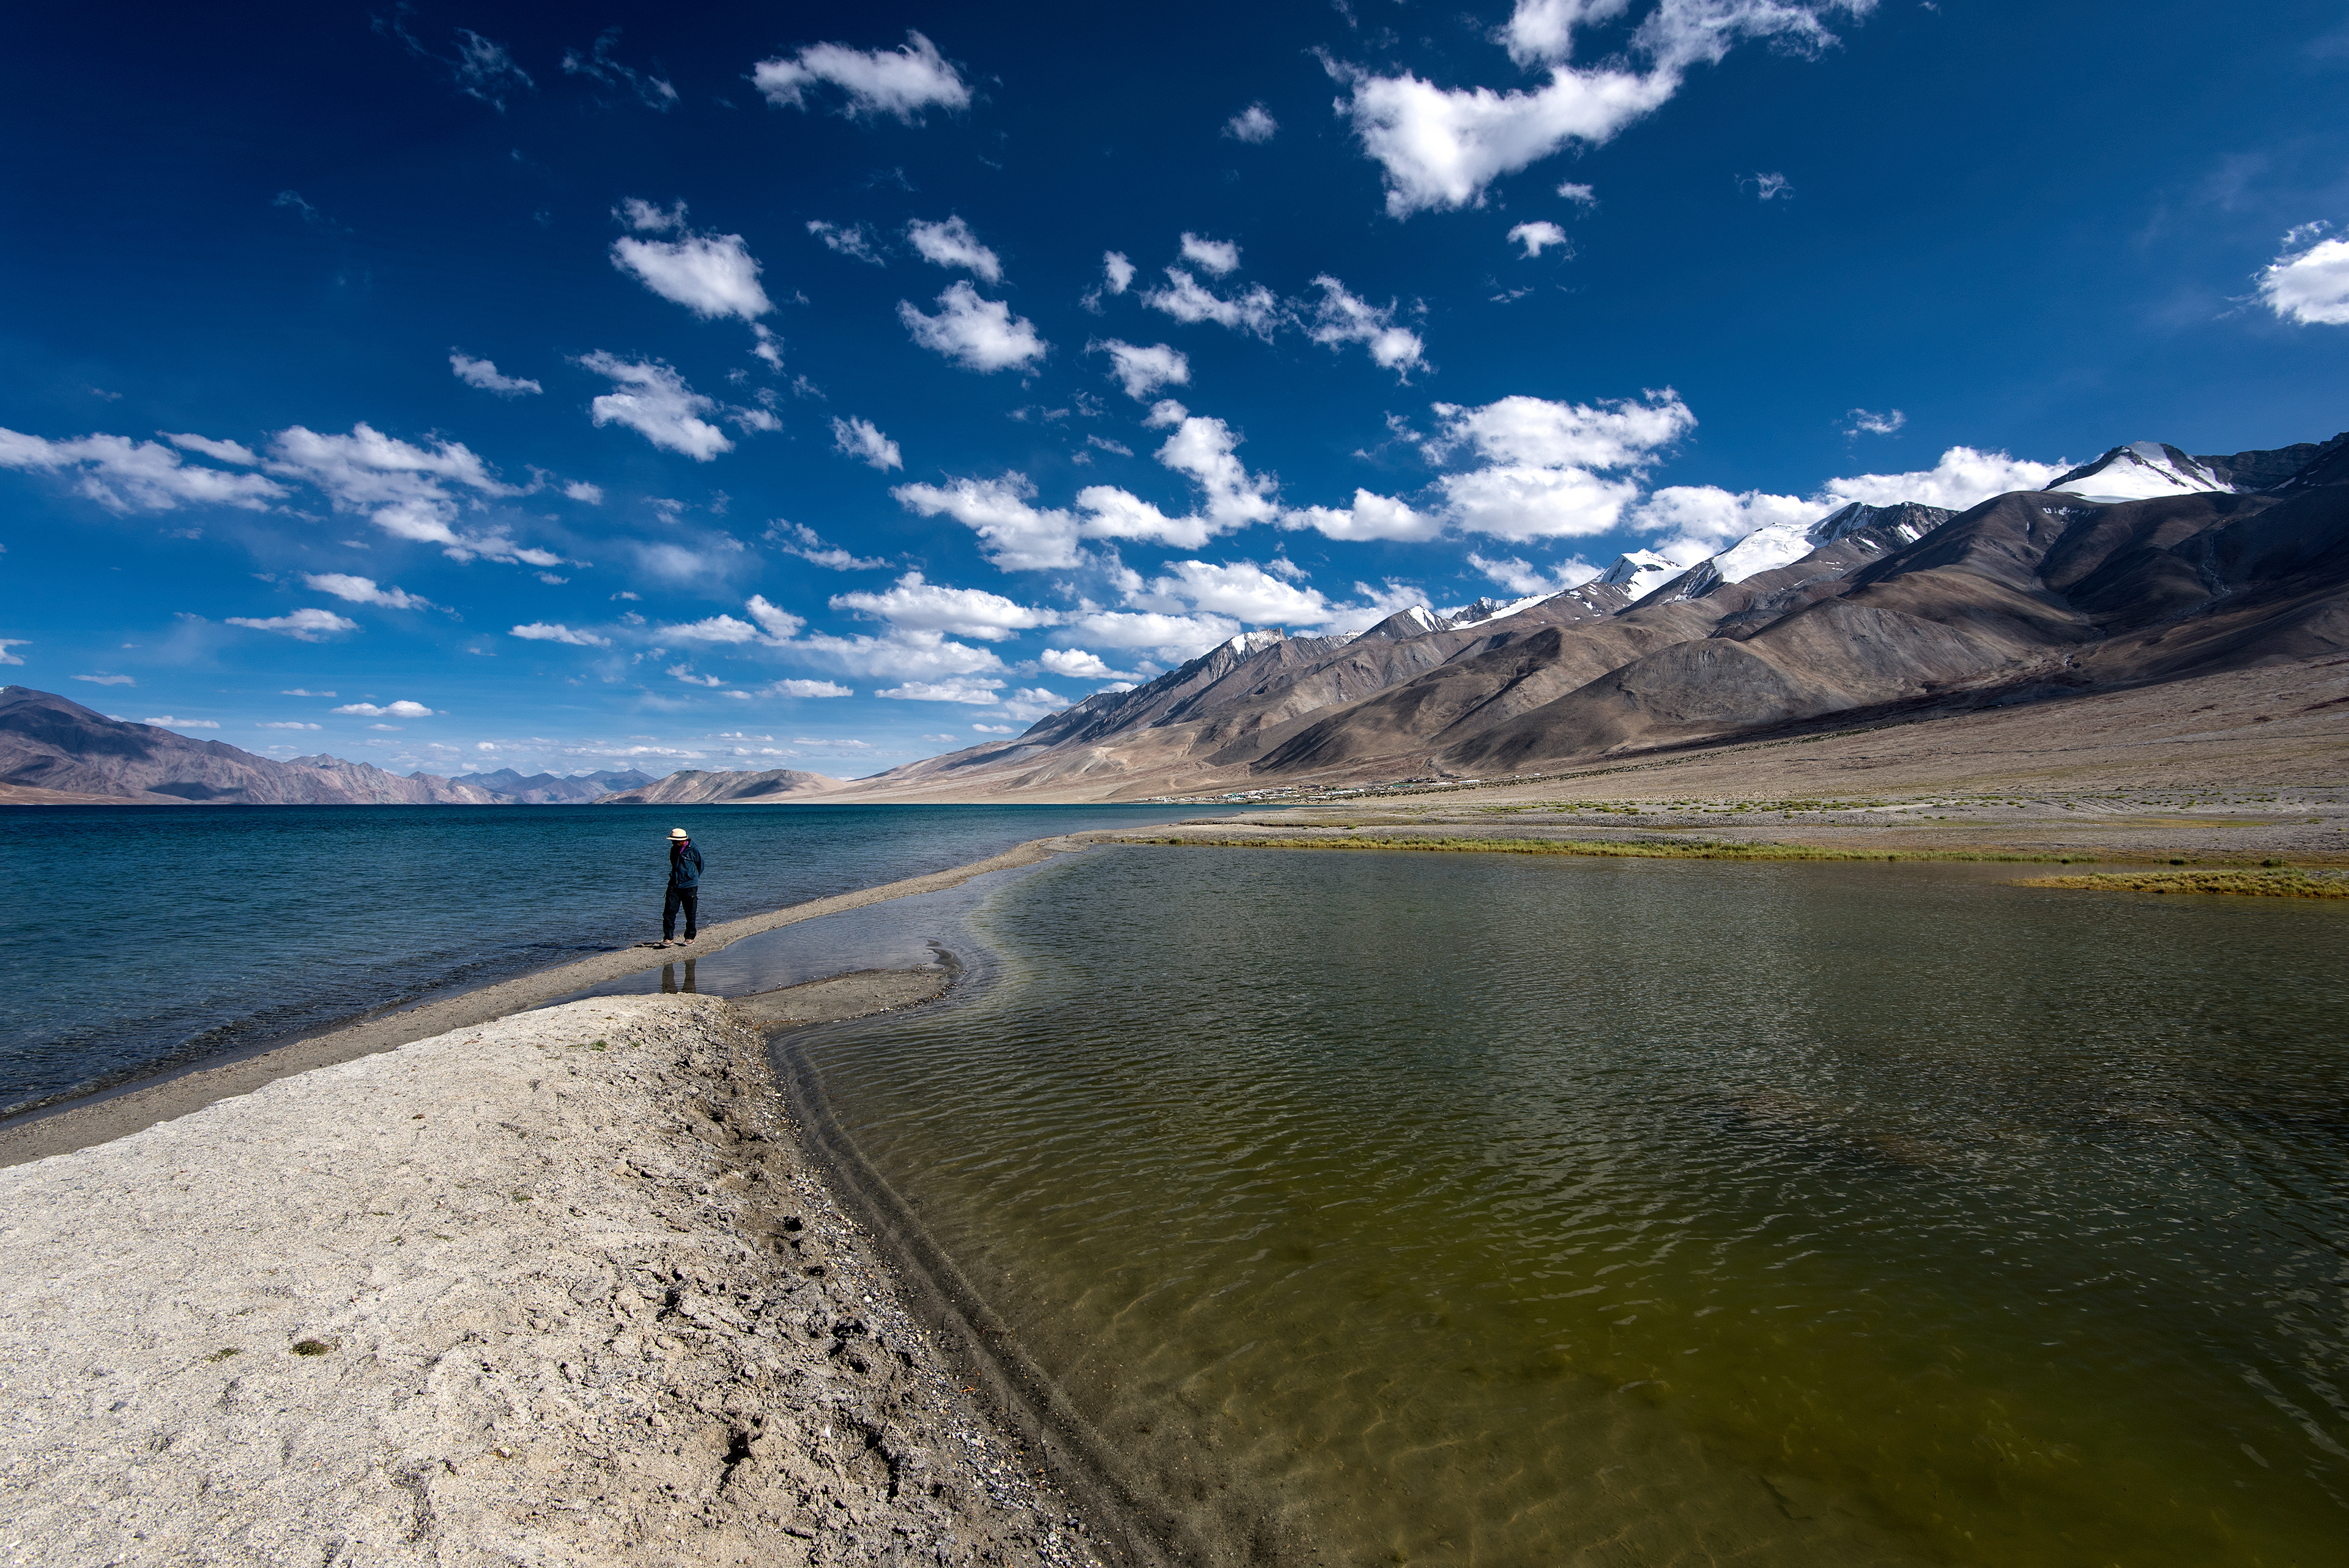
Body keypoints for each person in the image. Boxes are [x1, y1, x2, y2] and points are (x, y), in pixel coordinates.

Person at [659, 827, 703, 948]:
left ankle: (689, 937)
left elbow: (700, 865)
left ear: (682, 841)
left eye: (674, 841)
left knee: (690, 913)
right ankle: (668, 938)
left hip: (689, 885)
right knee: (669, 912)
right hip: (674, 884)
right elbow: (674, 864)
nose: (672, 843)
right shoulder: (674, 849)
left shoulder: (694, 849)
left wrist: (691, 878)